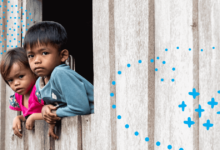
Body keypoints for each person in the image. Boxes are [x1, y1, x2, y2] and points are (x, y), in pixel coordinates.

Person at [23, 21, 94, 140]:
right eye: (31, 56)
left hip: (97, 119)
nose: (36, 61)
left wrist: (55, 113)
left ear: (63, 55)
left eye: (44, 53)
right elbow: (58, 106)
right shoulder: (40, 81)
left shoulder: (60, 73)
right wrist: (46, 110)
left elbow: (81, 108)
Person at [0, 47, 44, 138]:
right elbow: (30, 114)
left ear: (34, 72)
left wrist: (35, 117)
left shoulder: (41, 91)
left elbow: (56, 112)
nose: (16, 83)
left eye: (20, 76)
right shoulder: (18, 98)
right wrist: (19, 118)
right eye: (10, 80)